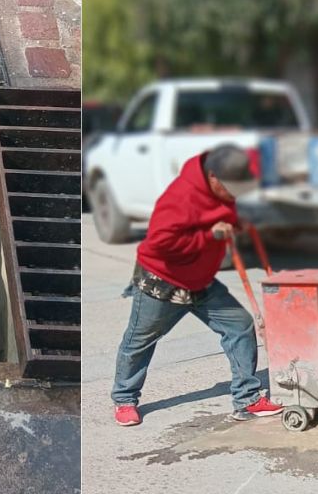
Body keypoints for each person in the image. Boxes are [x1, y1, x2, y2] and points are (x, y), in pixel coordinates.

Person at [111, 144, 284, 426]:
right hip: (163, 281)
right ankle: (124, 398)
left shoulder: (229, 178)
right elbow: (160, 245)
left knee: (239, 326)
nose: (235, 196)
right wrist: (209, 236)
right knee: (139, 341)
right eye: (232, 190)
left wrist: (241, 219)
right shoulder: (180, 198)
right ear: (213, 177)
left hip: (201, 281)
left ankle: (247, 399)